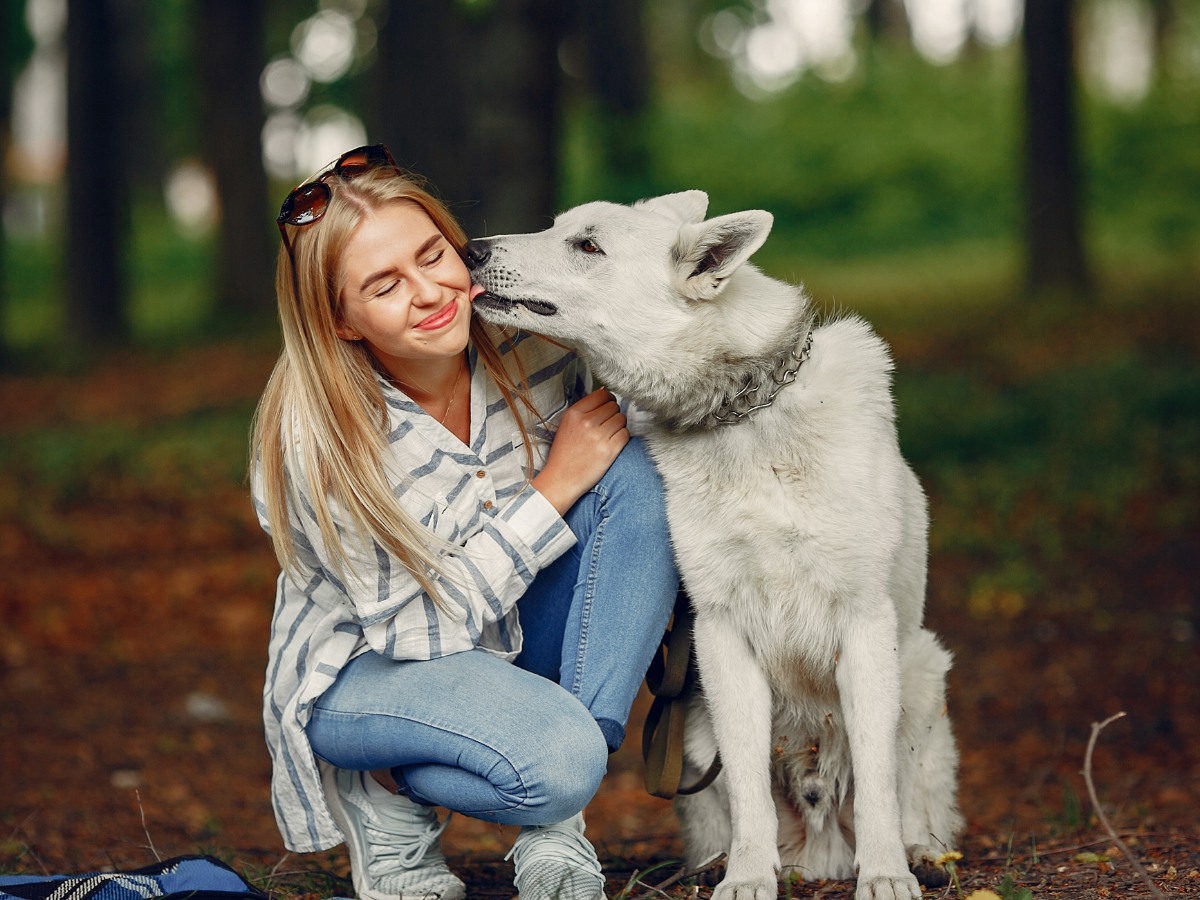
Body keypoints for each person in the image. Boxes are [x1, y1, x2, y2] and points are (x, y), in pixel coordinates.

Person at [250, 144, 678, 900]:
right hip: (368, 671)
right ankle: (382, 787)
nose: (430, 291)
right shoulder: (318, 438)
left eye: (433, 255)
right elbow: (414, 634)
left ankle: (551, 821)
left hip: (506, 631)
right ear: (342, 321)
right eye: (384, 286)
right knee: (560, 761)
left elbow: (655, 447)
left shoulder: (535, 344)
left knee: (635, 476)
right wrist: (552, 487)